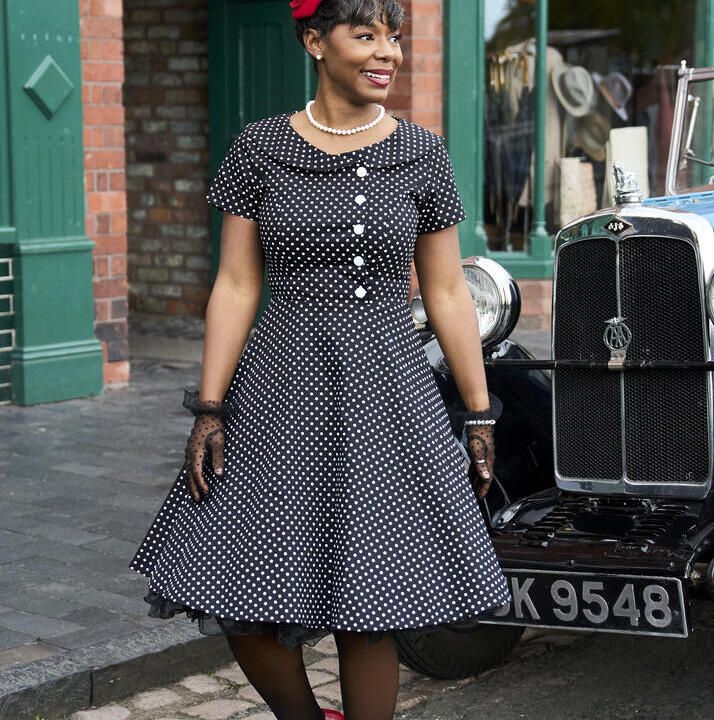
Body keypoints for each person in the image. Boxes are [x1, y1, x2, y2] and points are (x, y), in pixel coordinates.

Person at [127, 1, 511, 719]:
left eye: (393, 37)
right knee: (234, 578)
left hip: (388, 389)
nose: (387, 53)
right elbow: (237, 284)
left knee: (369, 602)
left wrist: (480, 410)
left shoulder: (423, 152)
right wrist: (210, 407)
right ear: (314, 41)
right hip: (278, 384)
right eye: (366, 35)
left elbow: (450, 291)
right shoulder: (260, 147)